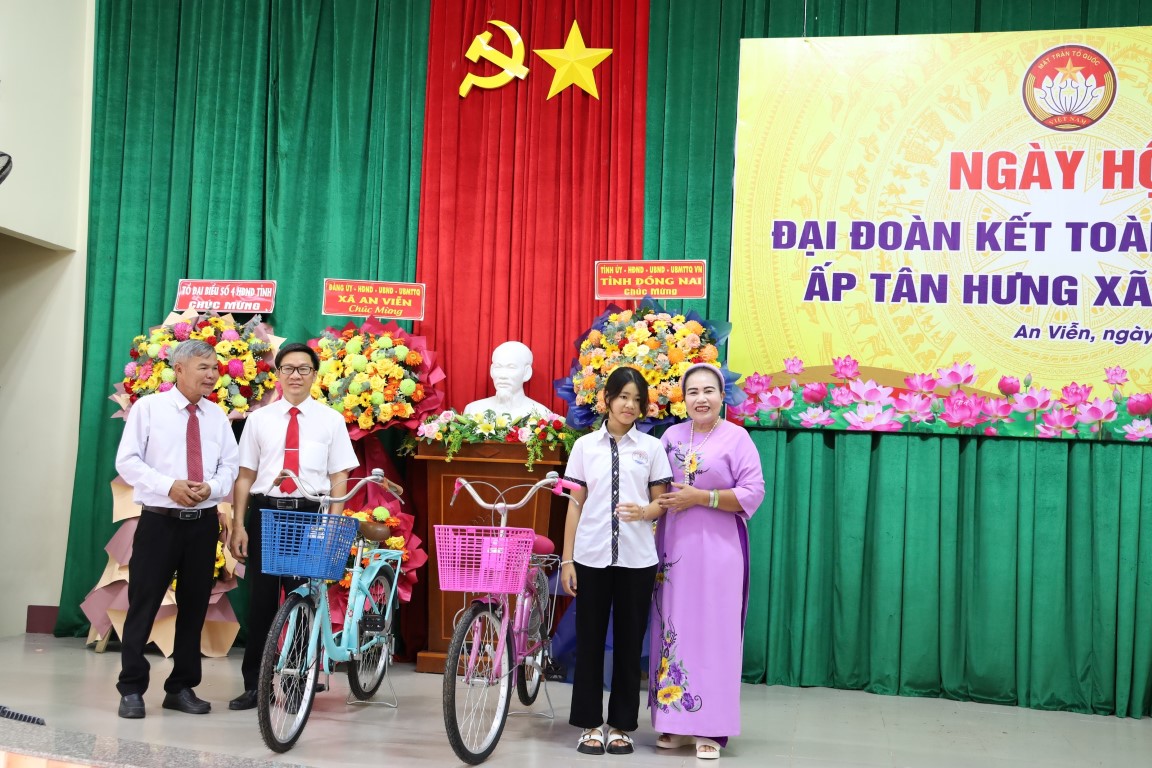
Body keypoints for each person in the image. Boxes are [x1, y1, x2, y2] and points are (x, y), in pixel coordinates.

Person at [226, 341, 359, 710]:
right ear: (278, 374)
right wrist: (239, 524)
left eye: (303, 369)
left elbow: (339, 476)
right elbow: (245, 475)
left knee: (304, 599)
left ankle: (298, 683)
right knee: (261, 602)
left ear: (314, 375)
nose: (295, 375)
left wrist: (331, 525)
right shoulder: (259, 419)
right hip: (267, 514)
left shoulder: (330, 420)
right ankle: (256, 685)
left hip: (310, 515)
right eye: (288, 368)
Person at [114, 339, 239, 719]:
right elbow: (127, 461)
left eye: (215, 368)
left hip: (202, 525)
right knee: (144, 604)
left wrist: (211, 488)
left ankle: (181, 687)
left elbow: (229, 467)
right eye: (204, 367)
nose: (212, 375)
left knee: (195, 606)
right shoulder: (149, 409)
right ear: (179, 369)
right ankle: (131, 689)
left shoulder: (216, 416)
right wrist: (169, 486)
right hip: (159, 522)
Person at [650, 362, 765, 759]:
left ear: (721, 396)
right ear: (683, 398)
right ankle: (674, 723)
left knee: (716, 632)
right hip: (674, 549)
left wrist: (702, 497)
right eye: (693, 392)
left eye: (708, 391)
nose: (701, 399)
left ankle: (711, 729)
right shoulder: (670, 437)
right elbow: (655, 487)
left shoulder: (737, 437)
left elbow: (753, 491)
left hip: (720, 551)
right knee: (674, 628)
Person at [560, 366, 673, 755]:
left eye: (637, 399)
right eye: (623, 396)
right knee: (589, 642)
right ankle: (590, 724)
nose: (630, 405)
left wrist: (644, 512)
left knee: (628, 645)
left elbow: (661, 502)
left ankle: (622, 725)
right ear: (607, 399)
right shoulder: (584, 447)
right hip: (590, 556)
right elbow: (574, 505)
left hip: (637, 559)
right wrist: (567, 560)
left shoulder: (651, 448)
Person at [463, 340, 552, 419]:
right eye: (498, 367)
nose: (502, 375)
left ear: (526, 373)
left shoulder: (542, 415)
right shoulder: (473, 410)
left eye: (511, 367)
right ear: (491, 370)